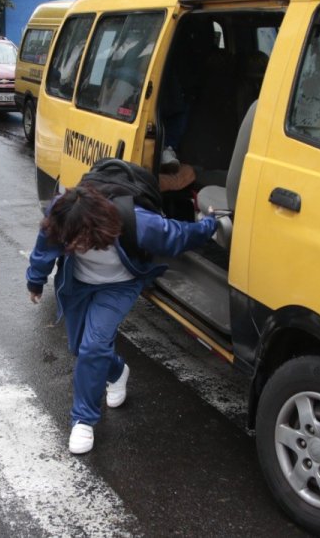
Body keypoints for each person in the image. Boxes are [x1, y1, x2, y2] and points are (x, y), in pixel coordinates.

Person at [26, 186, 217, 454]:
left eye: (80, 240)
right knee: (79, 347)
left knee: (92, 348)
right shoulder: (62, 214)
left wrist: (210, 222)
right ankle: (116, 371)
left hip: (119, 286)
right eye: (69, 241)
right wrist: (35, 281)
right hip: (78, 283)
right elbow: (44, 248)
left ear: (97, 227)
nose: (73, 247)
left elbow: (178, 235)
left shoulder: (136, 222)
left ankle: (83, 420)